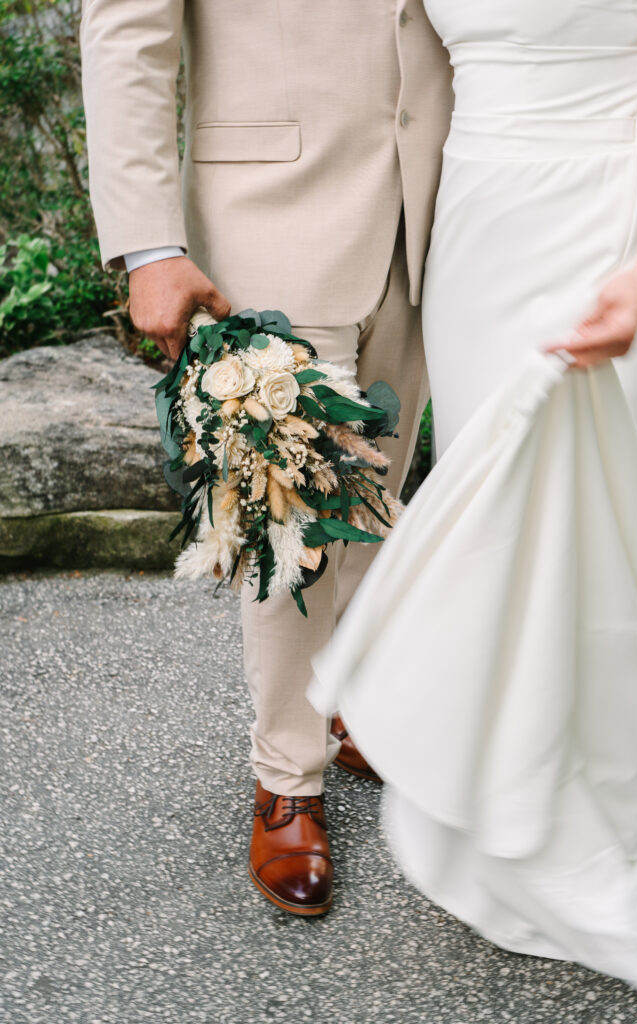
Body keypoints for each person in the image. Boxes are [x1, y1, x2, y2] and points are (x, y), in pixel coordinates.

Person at [309, 0, 637, 1000]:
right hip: (480, 229)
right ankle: (504, 791)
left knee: (597, 538)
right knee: (496, 527)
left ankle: (578, 826)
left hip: (621, 228)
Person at [79, 0, 453, 916]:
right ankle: (288, 772)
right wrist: (149, 246)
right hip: (270, 216)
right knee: (285, 510)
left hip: (441, 211)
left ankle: (354, 704)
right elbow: (126, 30)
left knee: (379, 494)